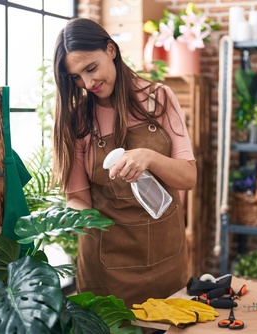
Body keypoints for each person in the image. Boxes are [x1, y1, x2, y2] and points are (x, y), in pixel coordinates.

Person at [51, 18, 197, 307]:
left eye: (91, 68)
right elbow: (77, 198)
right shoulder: (78, 120)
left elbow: (188, 178)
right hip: (107, 269)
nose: (88, 83)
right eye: (76, 77)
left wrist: (150, 157)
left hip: (166, 260)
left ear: (111, 50)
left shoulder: (159, 99)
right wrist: (71, 218)